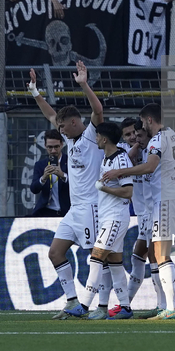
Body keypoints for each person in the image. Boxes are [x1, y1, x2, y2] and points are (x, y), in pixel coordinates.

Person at [102, 103, 175, 320]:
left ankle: (172, 306)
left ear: (148, 120)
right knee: (156, 254)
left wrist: (120, 171)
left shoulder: (156, 140)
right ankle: (174, 301)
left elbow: (150, 167)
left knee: (160, 256)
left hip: (163, 202)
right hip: (165, 202)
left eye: (139, 129)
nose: (136, 136)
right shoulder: (172, 135)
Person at [27, 60, 104, 320]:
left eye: (62, 126)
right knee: (55, 252)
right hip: (74, 210)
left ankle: (102, 306)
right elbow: (50, 114)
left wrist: (84, 84)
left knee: (97, 256)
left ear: (74, 122)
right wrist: (35, 93)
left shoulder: (92, 135)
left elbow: (97, 110)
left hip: (92, 206)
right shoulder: (69, 139)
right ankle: (72, 301)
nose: (59, 131)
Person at [65, 122, 135, 320]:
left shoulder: (120, 159)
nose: (95, 139)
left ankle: (84, 304)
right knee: (115, 262)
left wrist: (105, 189)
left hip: (115, 217)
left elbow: (128, 192)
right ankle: (125, 307)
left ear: (104, 138)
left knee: (96, 257)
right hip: (107, 216)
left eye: (97, 136)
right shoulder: (107, 158)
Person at [30, 129, 71, 218]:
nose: (53, 151)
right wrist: (43, 178)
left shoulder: (70, 162)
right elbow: (34, 189)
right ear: (45, 146)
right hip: (46, 211)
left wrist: (63, 175)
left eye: (56, 147)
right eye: (50, 147)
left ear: (62, 144)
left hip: (68, 211)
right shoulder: (40, 165)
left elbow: (79, 184)